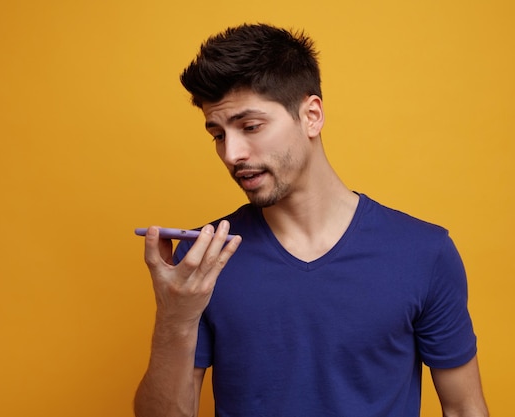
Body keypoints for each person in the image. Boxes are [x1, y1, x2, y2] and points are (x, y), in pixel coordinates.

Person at [134, 23, 488, 417]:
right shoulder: (204, 258)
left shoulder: (424, 253)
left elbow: (463, 409)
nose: (232, 153)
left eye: (250, 127)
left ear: (312, 116)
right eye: (217, 134)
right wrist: (174, 319)